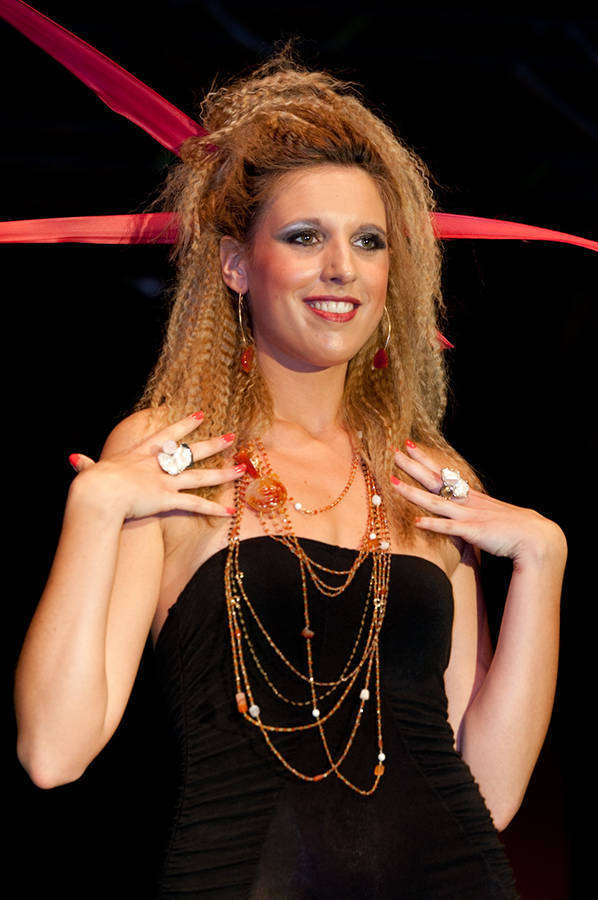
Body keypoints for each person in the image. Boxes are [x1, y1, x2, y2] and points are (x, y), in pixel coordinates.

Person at [14, 54, 566, 899]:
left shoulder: (428, 476)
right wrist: (92, 509)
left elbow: (488, 795)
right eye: (305, 237)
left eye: (368, 241)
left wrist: (543, 561)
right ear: (236, 265)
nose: (342, 266)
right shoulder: (173, 456)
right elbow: (54, 752)